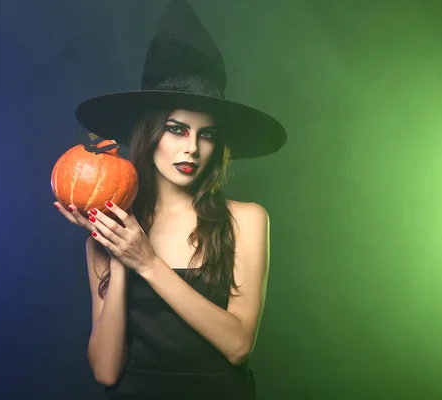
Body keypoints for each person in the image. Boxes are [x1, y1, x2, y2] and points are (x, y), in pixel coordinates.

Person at [54, 1, 287, 398]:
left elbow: (237, 346)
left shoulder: (246, 220)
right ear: (150, 132)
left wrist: (147, 261)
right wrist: (120, 258)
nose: (193, 148)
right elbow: (106, 373)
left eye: (207, 135)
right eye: (177, 129)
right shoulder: (110, 233)